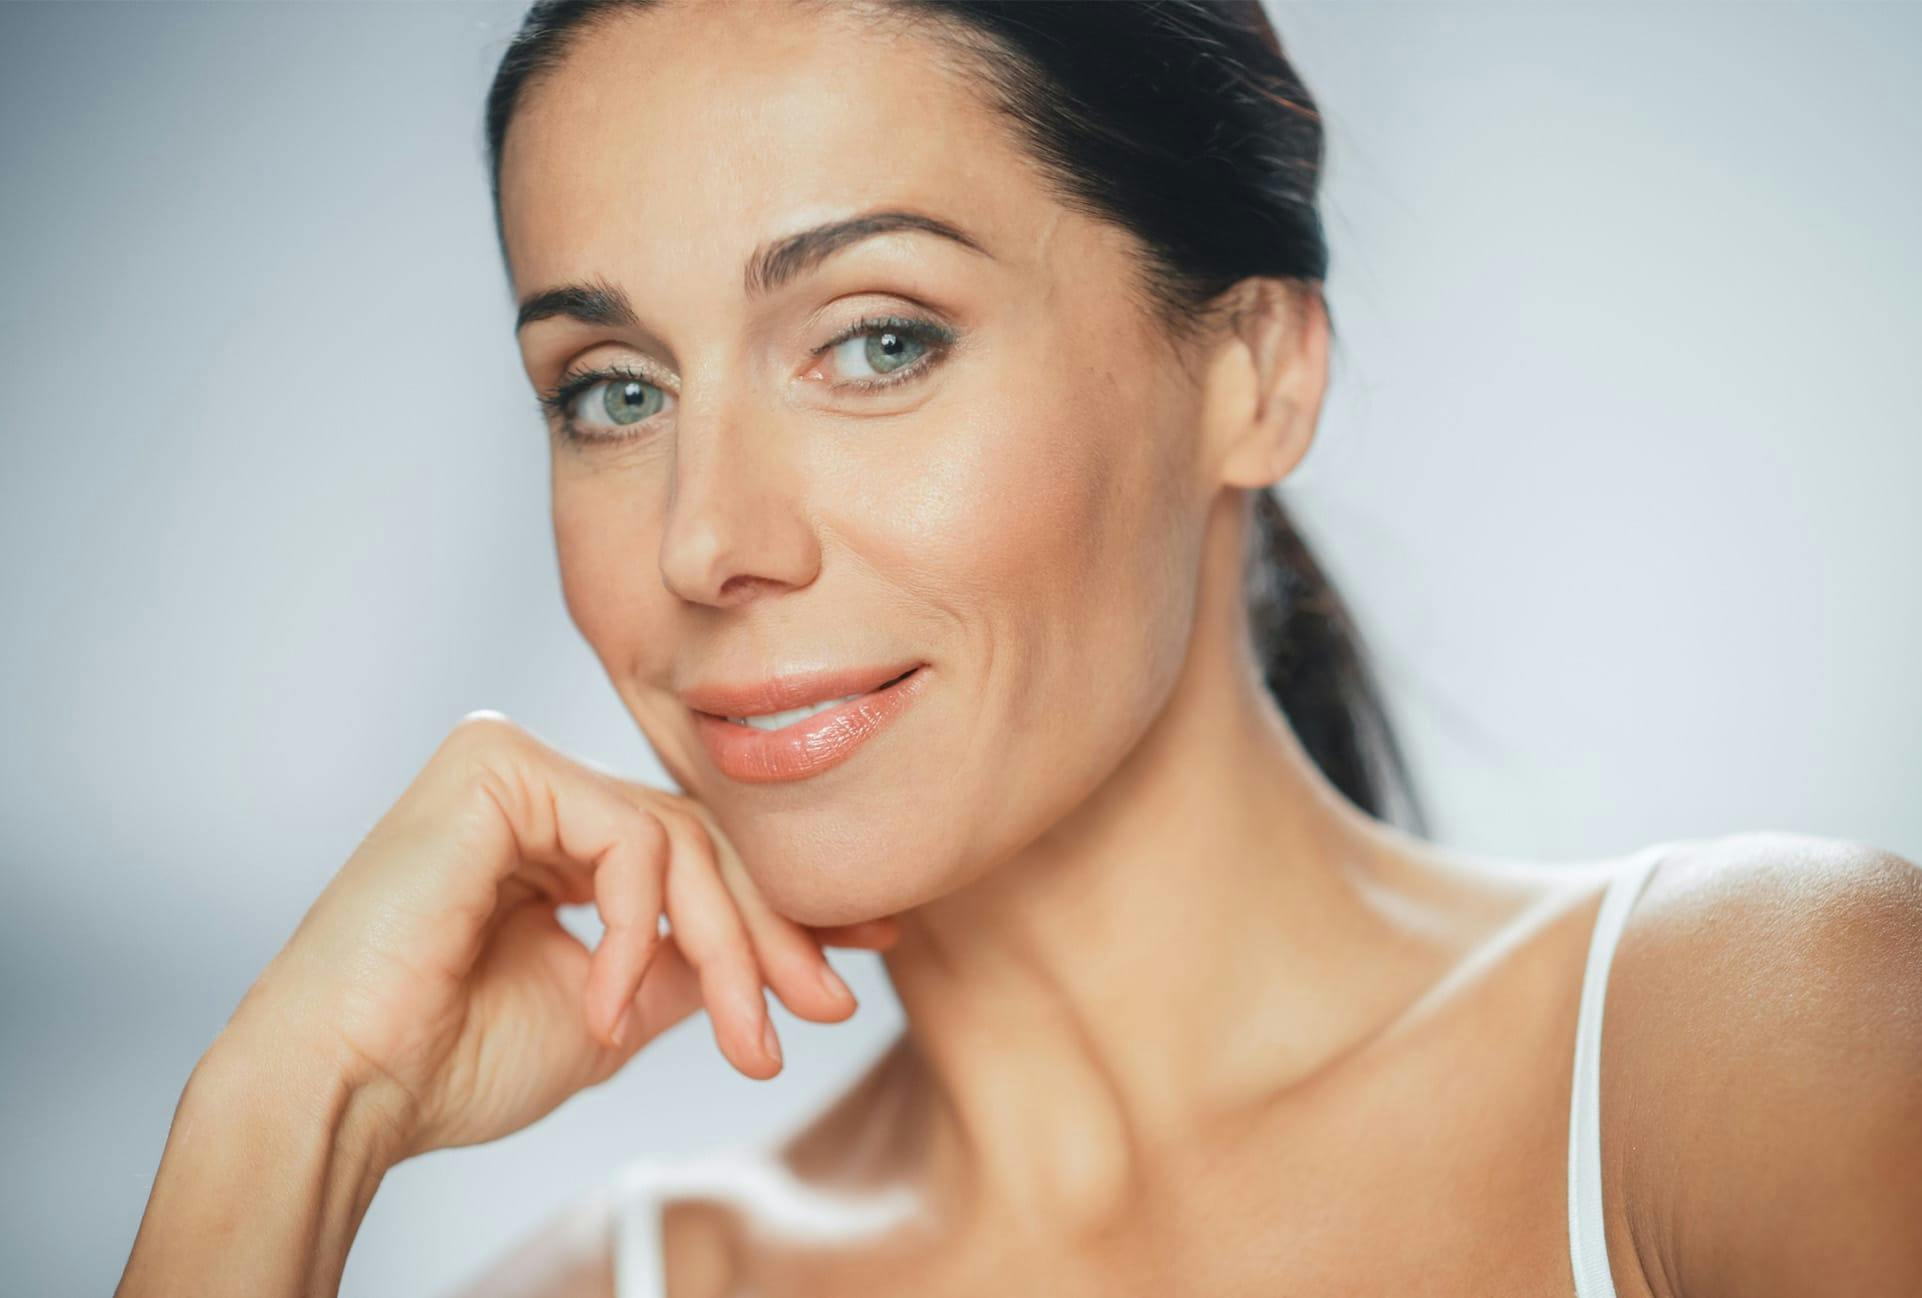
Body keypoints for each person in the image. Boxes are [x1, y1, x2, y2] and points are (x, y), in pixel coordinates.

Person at [115, 2, 1921, 1295]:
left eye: (878, 341)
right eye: (610, 389)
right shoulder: (624, 1281)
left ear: (1253, 369)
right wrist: (296, 1112)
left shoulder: (1751, 1049)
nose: (707, 542)